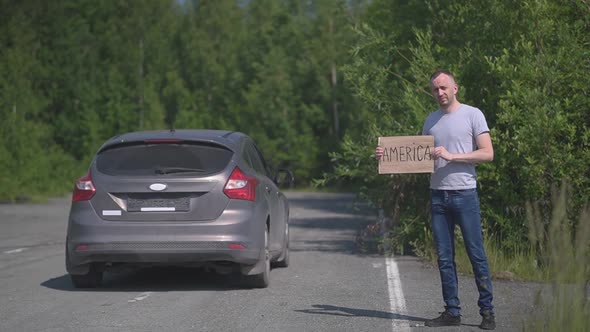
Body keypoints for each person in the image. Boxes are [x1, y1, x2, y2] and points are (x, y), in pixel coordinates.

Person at [375, 69, 496, 330]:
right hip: (438, 196)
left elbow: (487, 154)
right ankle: (452, 311)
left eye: (443, 87)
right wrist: (387, 156)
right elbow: (416, 159)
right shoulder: (430, 121)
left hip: (465, 194)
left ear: (455, 88)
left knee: (476, 254)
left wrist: (452, 156)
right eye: (435, 89)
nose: (439, 93)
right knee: (444, 257)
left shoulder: (473, 114)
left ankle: (487, 312)